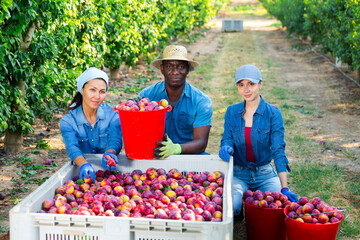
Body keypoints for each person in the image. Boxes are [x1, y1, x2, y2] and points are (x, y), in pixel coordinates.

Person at [218, 64, 298, 218]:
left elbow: (278, 150)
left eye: (251, 84)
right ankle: (240, 206)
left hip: (264, 173)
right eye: (241, 85)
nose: (246, 90)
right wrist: (226, 147)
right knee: (230, 208)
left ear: (260, 84)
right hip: (239, 173)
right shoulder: (232, 112)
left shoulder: (273, 113)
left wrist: (284, 187)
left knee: (277, 207)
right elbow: (227, 139)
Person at [138, 45, 213, 159]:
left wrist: (176, 148)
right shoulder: (147, 96)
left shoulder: (201, 101)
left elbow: (201, 143)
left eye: (181, 67)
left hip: (187, 155)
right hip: (156, 154)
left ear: (187, 69)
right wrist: (134, 110)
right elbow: (136, 133)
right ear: (162, 69)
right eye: (169, 66)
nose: (175, 72)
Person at [60, 67, 123, 183]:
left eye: (102, 91)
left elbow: (116, 140)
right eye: (92, 90)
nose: (97, 96)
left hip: (108, 173)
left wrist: (110, 153)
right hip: (83, 171)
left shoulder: (113, 115)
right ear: (82, 90)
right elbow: (72, 147)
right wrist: (84, 165)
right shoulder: (68, 121)